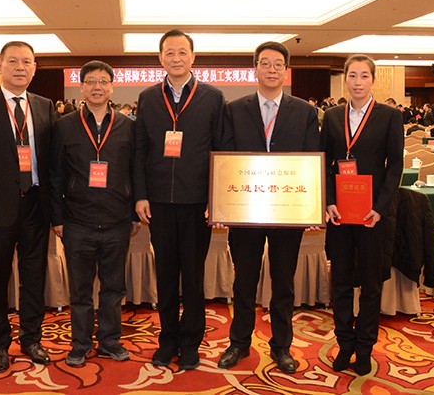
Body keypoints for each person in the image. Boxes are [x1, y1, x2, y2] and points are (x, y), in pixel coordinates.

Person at [218, 42, 320, 374]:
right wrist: (222, 205)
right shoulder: (234, 109)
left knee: (283, 283)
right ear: (255, 69)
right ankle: (239, 343)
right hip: (245, 211)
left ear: (286, 71)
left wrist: (312, 207)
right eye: (265, 63)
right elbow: (226, 159)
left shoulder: (304, 112)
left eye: (278, 64)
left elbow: (311, 161)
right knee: (244, 281)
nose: (272, 69)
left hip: (287, 212)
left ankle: (282, 346)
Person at [134, 29, 228, 370]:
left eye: (182, 52)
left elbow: (221, 150)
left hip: (197, 203)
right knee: (165, 274)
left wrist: (215, 198)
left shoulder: (212, 97)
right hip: (158, 202)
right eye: (169, 53)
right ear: (160, 58)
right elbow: (140, 150)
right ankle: (167, 340)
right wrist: (141, 195)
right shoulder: (148, 97)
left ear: (193, 57)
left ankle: (190, 342)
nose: (176, 58)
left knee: (192, 276)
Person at [0, 41, 56, 372]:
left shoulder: (44, 106)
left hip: (36, 206)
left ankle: (32, 339)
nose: (20, 67)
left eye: (27, 62)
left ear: (34, 68)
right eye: (13, 61)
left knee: (34, 277)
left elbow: (53, 161)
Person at [50, 60, 139, 367]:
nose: (97, 87)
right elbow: (55, 175)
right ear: (82, 88)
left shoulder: (128, 126)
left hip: (117, 220)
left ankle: (110, 341)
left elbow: (136, 172)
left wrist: (134, 214)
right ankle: (80, 343)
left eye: (103, 81)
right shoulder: (65, 125)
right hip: (77, 221)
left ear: (112, 87)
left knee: (114, 288)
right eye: (91, 81)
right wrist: (57, 218)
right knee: (80, 289)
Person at [321, 54, 404, 376]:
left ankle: (365, 347)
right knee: (341, 281)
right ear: (345, 79)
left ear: (373, 80)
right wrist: (328, 201)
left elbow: (394, 166)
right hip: (340, 212)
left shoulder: (389, 116)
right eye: (352, 75)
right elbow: (324, 162)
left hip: (371, 213)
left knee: (371, 283)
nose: (358, 82)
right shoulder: (332, 116)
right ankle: (345, 343)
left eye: (364, 76)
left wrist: (380, 208)